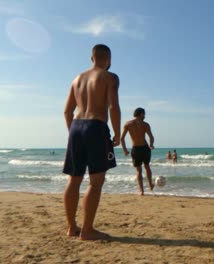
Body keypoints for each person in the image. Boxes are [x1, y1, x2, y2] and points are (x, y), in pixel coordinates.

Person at [62, 44, 121, 240]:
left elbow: (67, 111)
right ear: (109, 60)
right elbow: (113, 107)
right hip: (96, 126)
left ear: (91, 58)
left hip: (77, 127)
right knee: (96, 182)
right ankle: (87, 230)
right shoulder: (110, 77)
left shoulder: (77, 79)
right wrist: (118, 133)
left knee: (74, 179)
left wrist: (73, 132)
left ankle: (72, 227)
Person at [121, 108, 155, 196]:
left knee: (139, 170)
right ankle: (150, 184)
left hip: (135, 149)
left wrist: (125, 150)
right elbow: (151, 137)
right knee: (147, 167)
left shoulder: (128, 124)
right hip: (145, 148)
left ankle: (141, 191)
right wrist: (151, 145)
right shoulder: (145, 125)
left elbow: (122, 138)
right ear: (141, 114)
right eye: (144, 114)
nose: (145, 116)